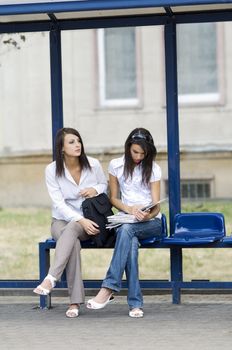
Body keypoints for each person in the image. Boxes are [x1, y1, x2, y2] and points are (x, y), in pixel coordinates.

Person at [87, 127, 162, 318]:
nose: (138, 157)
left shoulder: (153, 168)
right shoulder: (116, 165)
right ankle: (135, 304)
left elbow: (157, 207)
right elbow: (113, 198)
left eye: (143, 154)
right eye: (135, 152)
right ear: (128, 147)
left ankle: (109, 288)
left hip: (151, 223)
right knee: (129, 238)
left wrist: (147, 214)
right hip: (127, 219)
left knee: (126, 231)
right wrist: (129, 210)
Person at [33, 127, 107, 318]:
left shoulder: (93, 164)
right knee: (71, 239)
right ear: (62, 148)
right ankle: (73, 301)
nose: (77, 145)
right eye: (72, 142)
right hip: (61, 220)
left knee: (73, 230)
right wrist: (80, 220)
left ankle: (52, 279)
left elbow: (104, 184)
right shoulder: (51, 170)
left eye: (78, 141)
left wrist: (94, 189)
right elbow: (58, 203)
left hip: (90, 220)